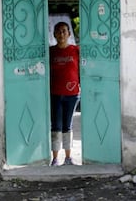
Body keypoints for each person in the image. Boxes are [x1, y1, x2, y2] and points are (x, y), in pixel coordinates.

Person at [49, 21, 80, 166]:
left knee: (67, 125)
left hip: (72, 95)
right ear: (54, 34)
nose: (61, 34)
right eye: (58, 31)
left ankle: (68, 157)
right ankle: (55, 158)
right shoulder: (50, 52)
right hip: (54, 93)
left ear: (69, 34)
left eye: (64, 31)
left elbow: (83, 68)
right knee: (56, 126)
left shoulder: (75, 50)